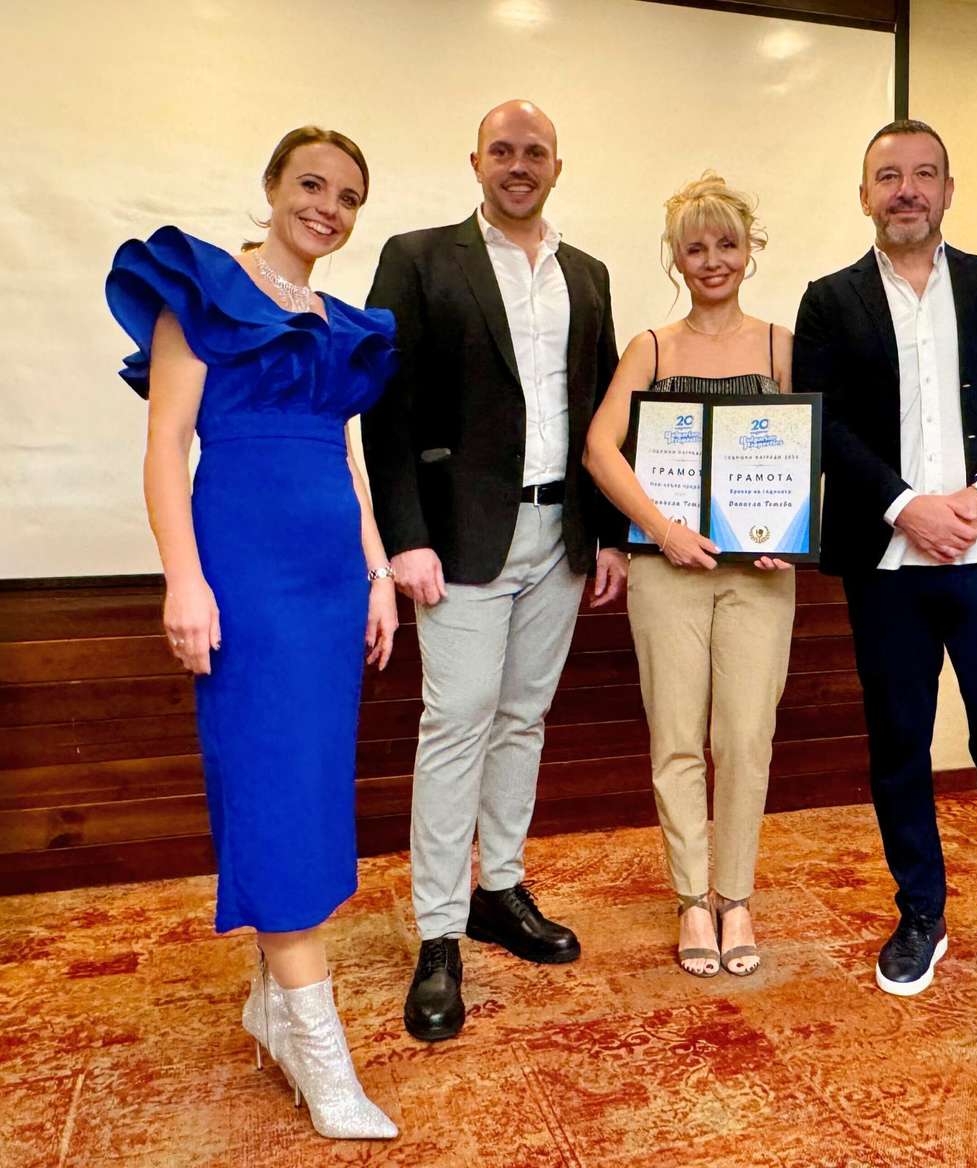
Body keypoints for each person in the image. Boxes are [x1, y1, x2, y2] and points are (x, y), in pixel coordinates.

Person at [104, 127, 400, 1138]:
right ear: (271, 187)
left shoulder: (337, 324)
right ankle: (320, 1050)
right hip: (245, 580)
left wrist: (377, 573)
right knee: (274, 792)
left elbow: (349, 462)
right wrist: (184, 579)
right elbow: (164, 449)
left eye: (348, 197)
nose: (328, 207)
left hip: (330, 586)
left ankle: (273, 1003)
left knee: (308, 787)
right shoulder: (203, 292)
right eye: (311, 184)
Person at [792, 119, 977, 1023]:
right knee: (900, 744)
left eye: (924, 173)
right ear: (865, 194)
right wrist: (904, 505)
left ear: (949, 190)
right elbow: (823, 420)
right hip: (887, 560)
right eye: (889, 176)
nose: (908, 190)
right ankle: (920, 914)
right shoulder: (829, 301)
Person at [363, 100, 627, 1041]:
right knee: (456, 726)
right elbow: (386, 411)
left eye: (536, 152)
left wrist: (608, 537)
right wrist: (404, 537)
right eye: (503, 151)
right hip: (459, 541)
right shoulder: (418, 258)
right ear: (475, 161)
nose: (519, 165)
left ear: (558, 166)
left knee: (523, 719)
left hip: (561, 535)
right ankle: (438, 934)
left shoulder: (587, 274)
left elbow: (602, 413)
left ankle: (499, 890)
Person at [584, 172, 795, 978]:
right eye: (696, 247)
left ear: (751, 250)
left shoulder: (780, 345)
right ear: (676, 257)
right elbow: (600, 448)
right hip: (665, 570)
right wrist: (664, 530)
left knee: (744, 737)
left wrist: (791, 530)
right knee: (676, 738)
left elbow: (814, 453)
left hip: (760, 573)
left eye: (726, 244)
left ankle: (735, 896)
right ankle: (690, 902)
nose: (713, 260)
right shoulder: (652, 347)